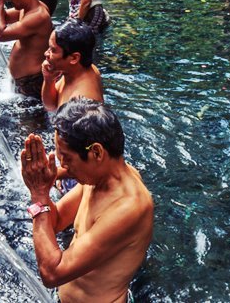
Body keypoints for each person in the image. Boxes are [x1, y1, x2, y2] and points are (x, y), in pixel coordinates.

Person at [20, 98, 154, 303]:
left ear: (97, 153)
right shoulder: (97, 179)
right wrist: (45, 187)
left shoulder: (129, 207)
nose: (61, 165)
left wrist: (39, 196)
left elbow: (52, 273)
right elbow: (55, 222)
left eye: (67, 158)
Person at [0, 0, 53, 99]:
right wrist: (0, 1)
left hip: (31, 84)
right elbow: (2, 17)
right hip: (23, 81)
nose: (8, 0)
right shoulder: (27, 9)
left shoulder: (38, 16)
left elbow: (0, 34)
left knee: (30, 120)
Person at [41, 19, 102, 112]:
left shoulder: (80, 105)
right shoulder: (76, 70)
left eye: (53, 50)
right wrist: (49, 80)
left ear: (74, 58)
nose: (46, 53)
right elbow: (51, 106)